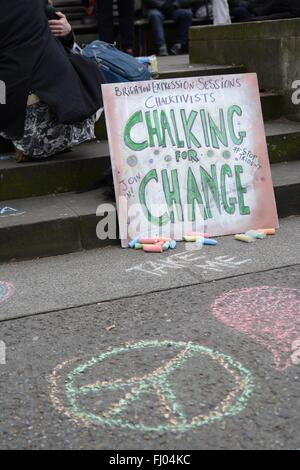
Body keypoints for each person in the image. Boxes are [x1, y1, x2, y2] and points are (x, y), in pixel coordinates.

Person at [0, 0, 103, 162]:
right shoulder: (38, 6)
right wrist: (67, 31)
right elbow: (66, 39)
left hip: (20, 118)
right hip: (68, 121)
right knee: (83, 62)